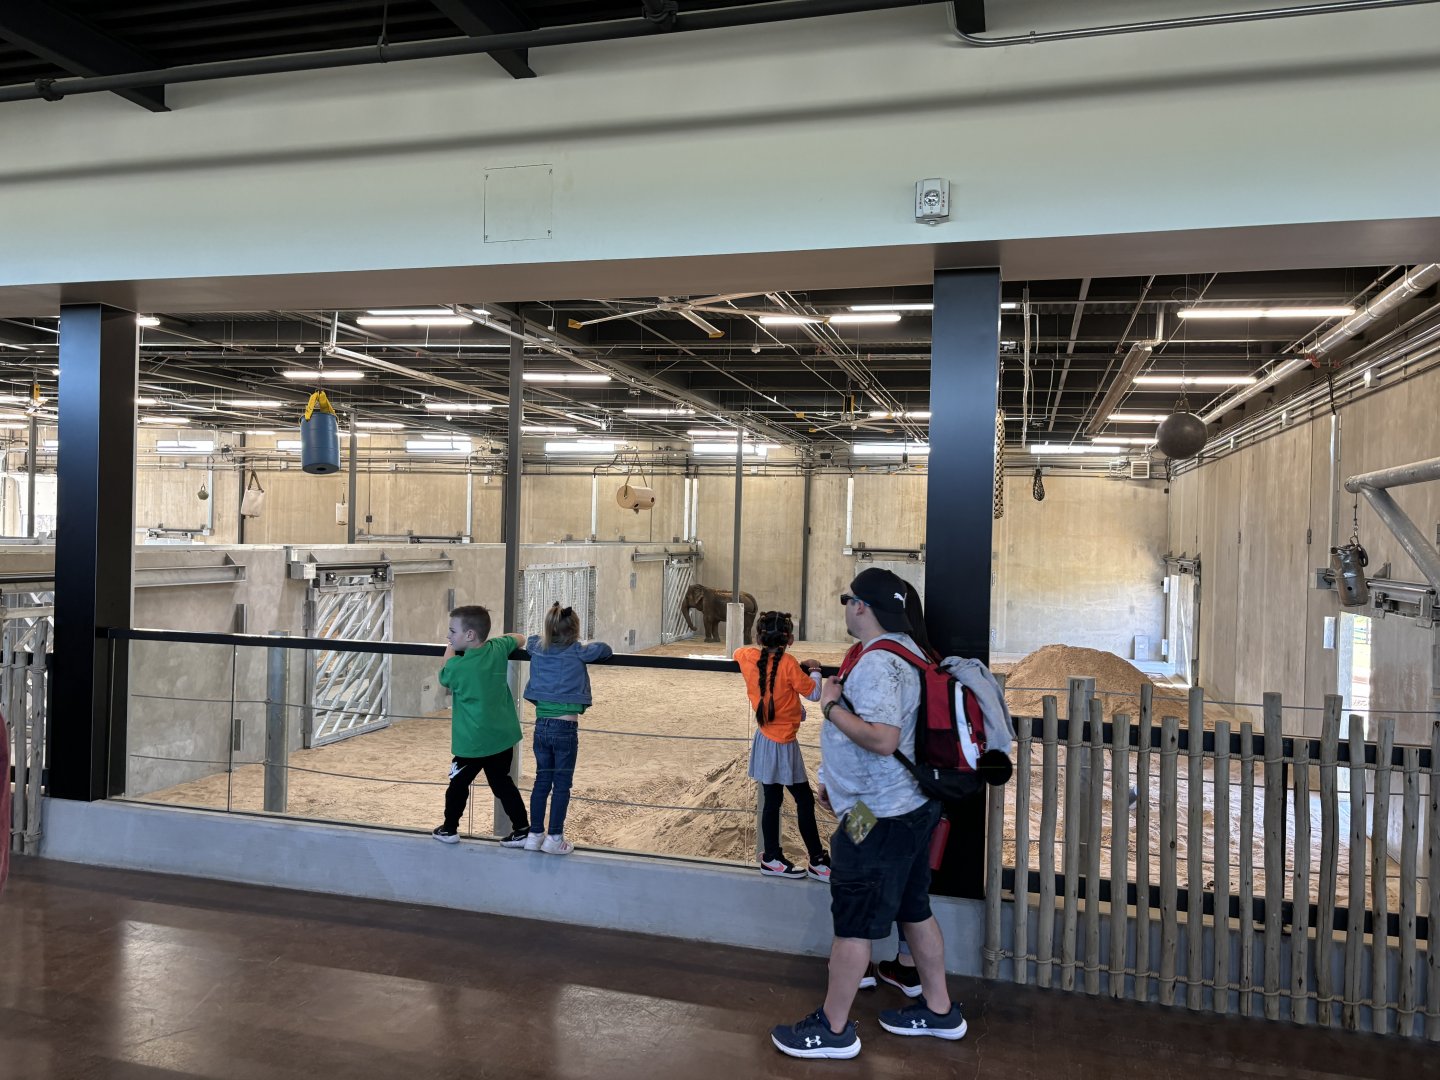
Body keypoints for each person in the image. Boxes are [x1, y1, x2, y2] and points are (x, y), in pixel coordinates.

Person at [771, 567, 966, 1060]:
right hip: (907, 809)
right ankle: (940, 1010)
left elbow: (882, 739)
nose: (847, 607)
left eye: (848, 599)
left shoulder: (879, 663)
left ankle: (834, 1030)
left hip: (879, 818)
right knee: (914, 908)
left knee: (853, 921)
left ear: (862, 606)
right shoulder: (909, 650)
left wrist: (830, 706)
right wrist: (837, 782)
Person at [734, 610, 829, 881]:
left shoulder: (749, 657)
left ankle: (772, 857)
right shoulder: (789, 664)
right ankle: (817, 860)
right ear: (790, 640)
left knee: (772, 801)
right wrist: (815, 669)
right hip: (784, 744)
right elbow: (814, 693)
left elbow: (738, 652)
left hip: (764, 739)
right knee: (804, 800)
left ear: (758, 637)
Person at [433, 605, 531, 847]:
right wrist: (496, 640)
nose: (448, 636)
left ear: (469, 635)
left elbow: (445, 672)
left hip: (471, 743)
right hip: (501, 738)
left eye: (452, 631)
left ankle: (449, 828)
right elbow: (520, 638)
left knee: (458, 785)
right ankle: (522, 828)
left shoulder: (458, 667)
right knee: (502, 784)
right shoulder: (497, 648)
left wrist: (450, 649)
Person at [521, 602, 613, 855]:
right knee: (561, 785)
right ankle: (554, 837)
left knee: (542, 781)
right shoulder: (578, 650)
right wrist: (582, 642)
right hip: (565, 728)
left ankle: (534, 835)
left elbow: (530, 640)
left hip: (541, 726)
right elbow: (605, 649)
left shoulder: (538, 647)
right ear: (574, 631)